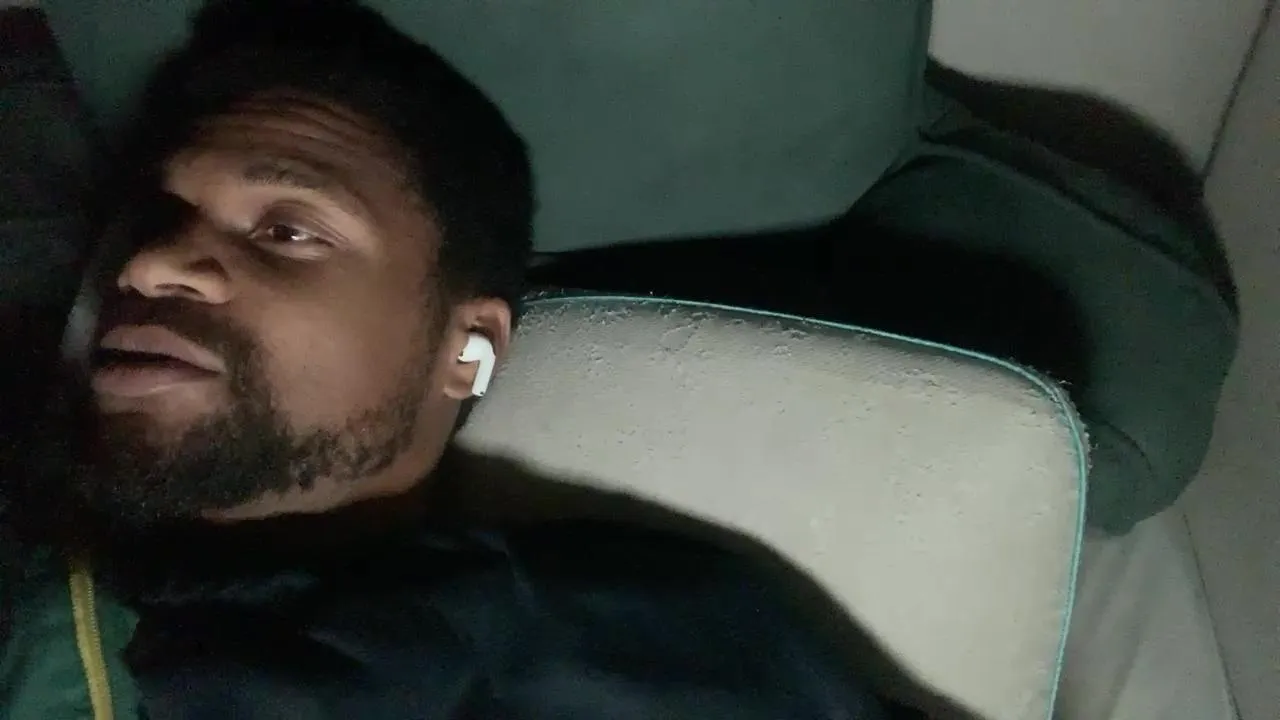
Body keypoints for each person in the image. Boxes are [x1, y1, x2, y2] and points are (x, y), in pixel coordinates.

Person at [0, 1, 925, 717]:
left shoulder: (639, 652)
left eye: (287, 230)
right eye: (159, 219)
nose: (149, 265)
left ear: (468, 346)